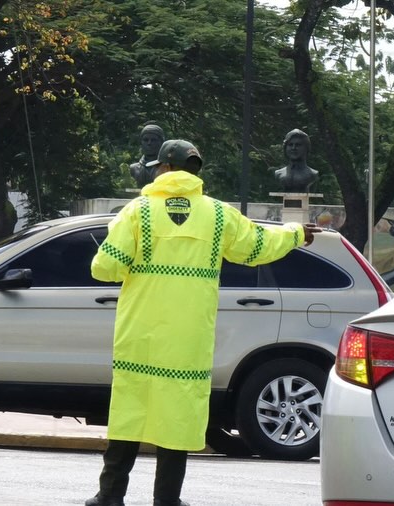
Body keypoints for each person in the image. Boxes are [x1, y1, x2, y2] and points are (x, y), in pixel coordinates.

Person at [87, 139, 321, 506]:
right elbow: (256, 245)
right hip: (188, 339)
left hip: (141, 336)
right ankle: (167, 500)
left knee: (130, 413)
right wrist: (295, 233)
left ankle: (109, 496)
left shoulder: (138, 212)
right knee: (178, 418)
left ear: (165, 167)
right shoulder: (217, 214)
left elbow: (105, 268)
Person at [272, 128, 319, 193]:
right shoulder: (278, 174)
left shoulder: (313, 174)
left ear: (306, 148)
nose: (293, 148)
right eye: (290, 145)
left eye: (298, 145)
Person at [128, 123, 165, 188]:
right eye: (145, 140)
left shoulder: (168, 167)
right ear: (141, 142)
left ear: (161, 142)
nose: (149, 143)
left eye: (153, 140)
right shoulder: (134, 168)